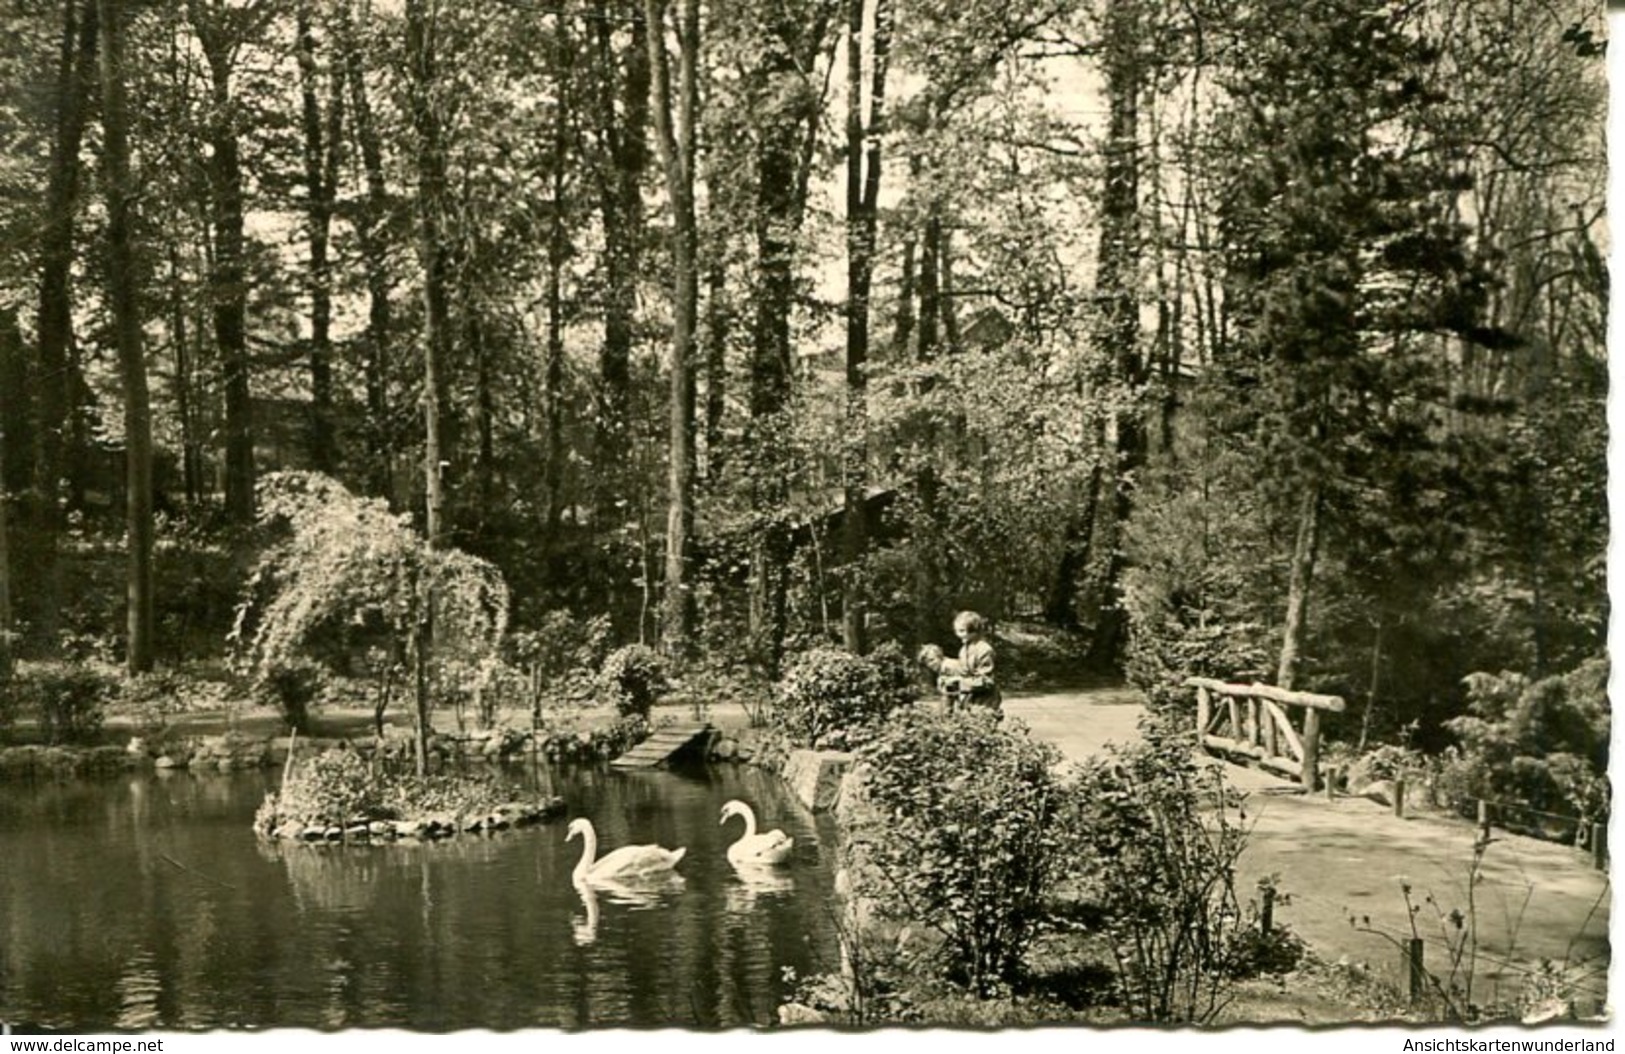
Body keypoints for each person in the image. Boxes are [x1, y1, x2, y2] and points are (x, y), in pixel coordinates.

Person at [921, 611, 1001, 713]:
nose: (958, 635)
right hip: (969, 700)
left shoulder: (984, 650)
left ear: (974, 631)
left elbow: (987, 682)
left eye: (962, 631)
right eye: (957, 631)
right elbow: (963, 673)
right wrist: (948, 680)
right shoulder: (963, 650)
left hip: (985, 702)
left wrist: (959, 681)